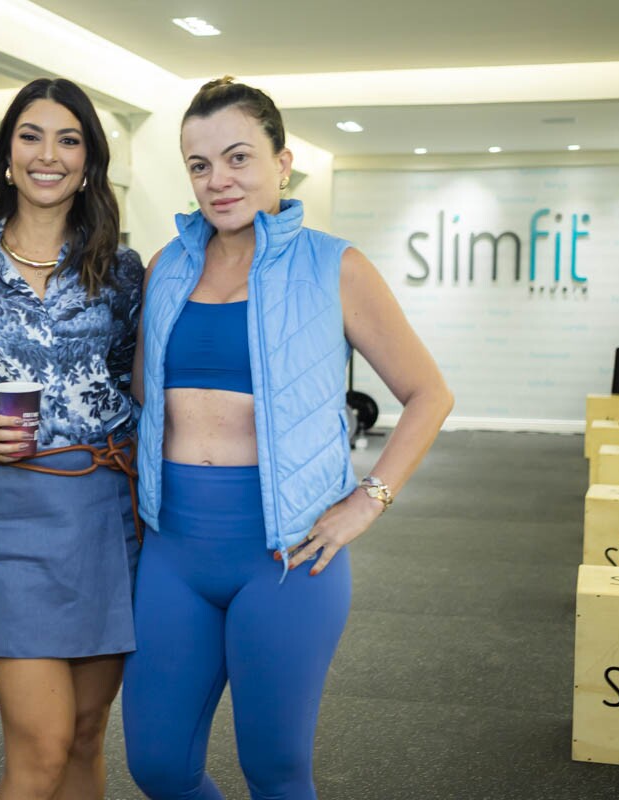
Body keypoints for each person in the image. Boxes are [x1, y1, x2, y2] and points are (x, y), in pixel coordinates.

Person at [122, 77, 454, 800]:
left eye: (238, 157)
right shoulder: (167, 267)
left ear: (283, 161)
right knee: (157, 766)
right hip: (174, 549)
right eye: (200, 165)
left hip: (285, 556)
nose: (219, 180)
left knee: (274, 771)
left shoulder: (335, 265)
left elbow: (429, 394)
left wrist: (369, 500)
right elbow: (147, 398)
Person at [0, 77, 143, 800]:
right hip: (10, 518)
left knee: (83, 735)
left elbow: (136, 382)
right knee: (39, 749)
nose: (50, 155)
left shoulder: (121, 270)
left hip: (107, 514)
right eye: (32, 136)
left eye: (69, 139)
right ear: (7, 152)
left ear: (89, 160)